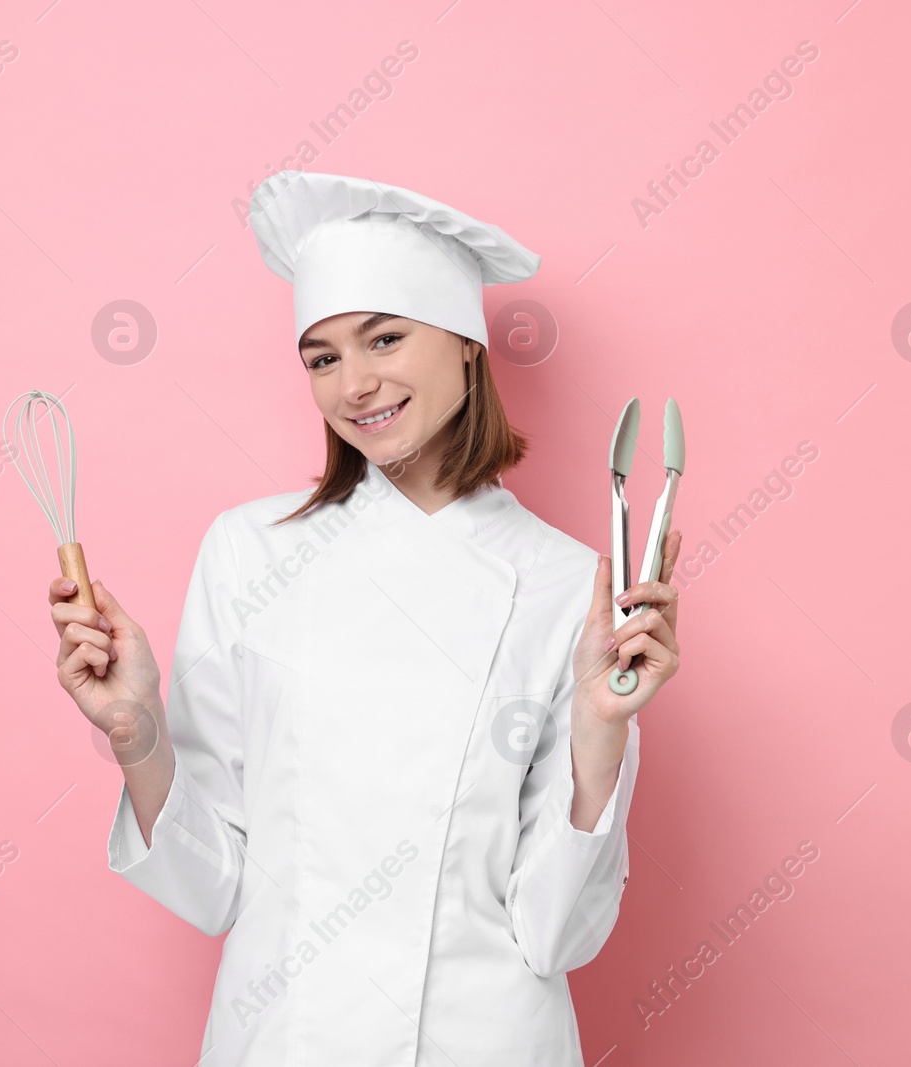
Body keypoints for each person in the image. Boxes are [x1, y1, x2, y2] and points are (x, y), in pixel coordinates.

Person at [49, 171, 683, 1065]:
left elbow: (556, 937)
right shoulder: (249, 554)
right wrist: (135, 730)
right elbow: (211, 885)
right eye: (323, 356)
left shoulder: (567, 584)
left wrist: (601, 735)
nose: (356, 384)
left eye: (385, 336)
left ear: (466, 343)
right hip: (283, 1038)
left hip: (483, 1038)